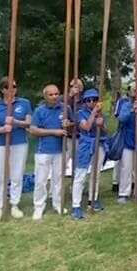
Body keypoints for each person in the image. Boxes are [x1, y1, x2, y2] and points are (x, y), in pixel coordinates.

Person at [0, 77, 32, 222]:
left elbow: (29, 123)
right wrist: (2, 129)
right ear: (3, 89)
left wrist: (16, 122)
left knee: (17, 175)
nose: (12, 90)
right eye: (9, 87)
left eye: (15, 86)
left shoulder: (24, 103)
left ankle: (14, 204)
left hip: (19, 143)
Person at [29, 84, 72, 220]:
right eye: (51, 94)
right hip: (43, 151)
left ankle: (58, 204)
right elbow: (33, 130)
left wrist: (68, 125)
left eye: (56, 94)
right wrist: (54, 131)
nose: (54, 97)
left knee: (58, 179)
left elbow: (72, 127)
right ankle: (38, 207)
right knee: (41, 180)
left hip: (60, 150)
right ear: (45, 96)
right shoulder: (39, 111)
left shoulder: (65, 108)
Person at [71, 88, 107, 219]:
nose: (92, 102)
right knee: (80, 174)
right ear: (85, 101)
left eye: (95, 99)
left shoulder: (101, 113)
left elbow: (106, 130)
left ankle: (93, 199)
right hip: (86, 145)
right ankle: (76, 205)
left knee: (95, 174)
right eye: (89, 100)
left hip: (99, 144)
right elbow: (86, 127)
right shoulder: (80, 113)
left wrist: (101, 124)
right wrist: (93, 113)